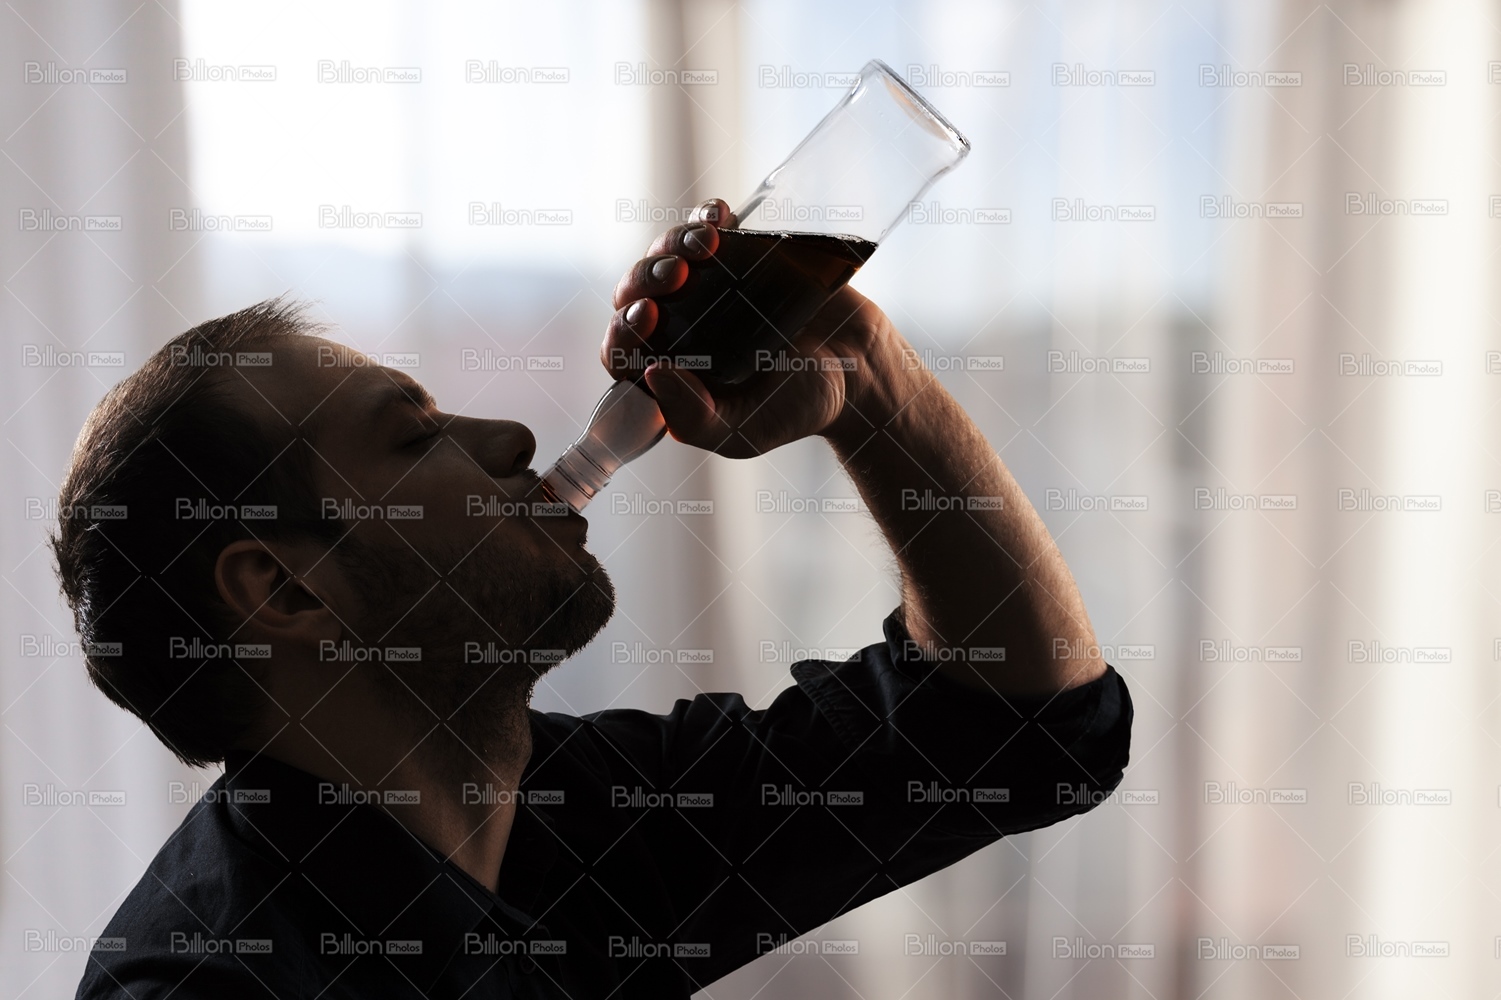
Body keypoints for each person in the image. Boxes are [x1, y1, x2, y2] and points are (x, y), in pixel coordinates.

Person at [61, 200, 1132, 998]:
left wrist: (866, 373)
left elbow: (1022, 730)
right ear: (286, 585)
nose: (511, 437)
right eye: (416, 434)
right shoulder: (213, 982)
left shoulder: (580, 815)